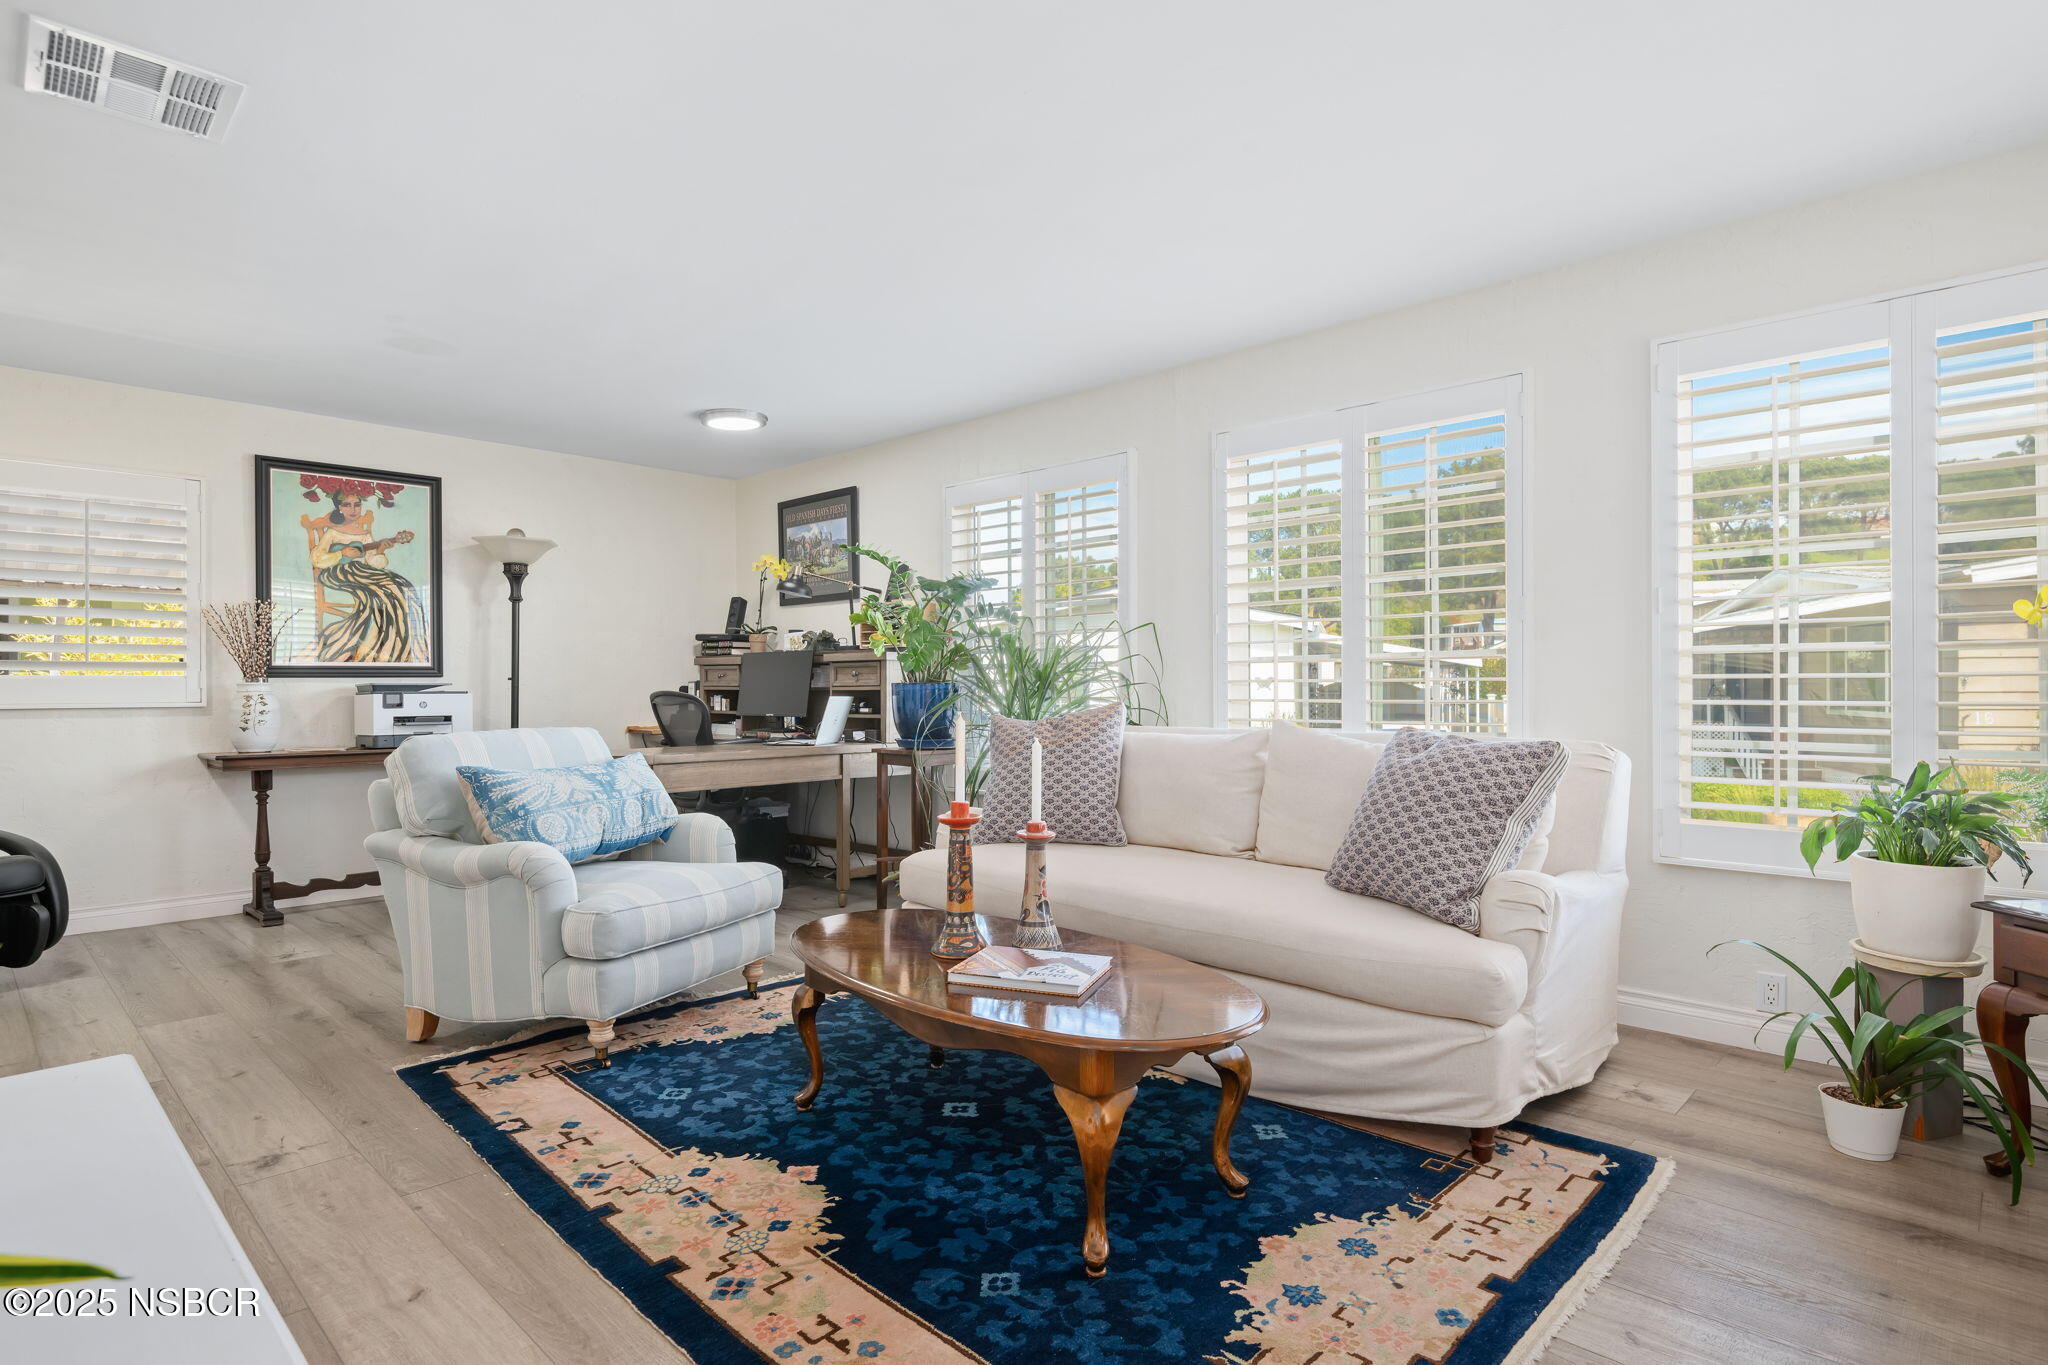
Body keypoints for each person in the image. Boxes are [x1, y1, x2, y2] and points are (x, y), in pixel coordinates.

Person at [306, 489, 427, 663]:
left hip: (361, 571)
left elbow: (373, 563)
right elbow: (316, 559)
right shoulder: (332, 532)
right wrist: (341, 554)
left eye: (357, 505)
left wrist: (380, 550)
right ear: (339, 508)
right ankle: (364, 644)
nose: (353, 509)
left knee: (400, 585)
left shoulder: (365, 535)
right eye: (347, 505)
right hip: (338, 572)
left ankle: (392, 646)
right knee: (380, 591)